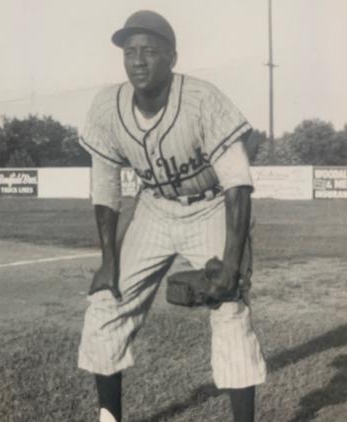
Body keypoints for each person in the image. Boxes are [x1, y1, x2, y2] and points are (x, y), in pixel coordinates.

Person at [77, 10, 267, 422]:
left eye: (150, 51)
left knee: (229, 310)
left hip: (212, 205)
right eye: (130, 52)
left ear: (172, 58)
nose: (138, 60)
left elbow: (238, 184)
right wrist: (109, 263)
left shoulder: (202, 99)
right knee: (106, 302)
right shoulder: (107, 106)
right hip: (155, 208)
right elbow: (106, 188)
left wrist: (231, 265)